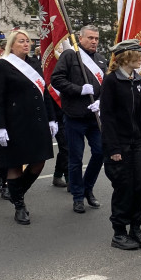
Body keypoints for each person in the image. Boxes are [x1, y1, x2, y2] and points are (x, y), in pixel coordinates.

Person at [0, 29, 58, 225]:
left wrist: (52, 118)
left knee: (39, 162)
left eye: (28, 41)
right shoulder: (2, 66)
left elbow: (44, 92)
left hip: (36, 120)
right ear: (12, 45)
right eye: (22, 41)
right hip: (14, 122)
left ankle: (16, 192)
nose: (26, 44)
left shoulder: (34, 64)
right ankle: (19, 205)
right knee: (15, 164)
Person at [98, 39, 141, 250]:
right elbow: (108, 117)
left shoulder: (138, 80)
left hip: (136, 143)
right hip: (118, 144)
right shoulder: (112, 81)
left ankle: (136, 228)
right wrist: (113, 149)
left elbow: (140, 116)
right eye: (137, 54)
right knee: (124, 188)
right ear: (125, 57)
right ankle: (119, 232)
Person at [50, 25, 107, 214]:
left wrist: (100, 101)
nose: (94, 42)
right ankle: (77, 196)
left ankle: (87, 188)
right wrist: (79, 89)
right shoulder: (70, 56)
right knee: (75, 158)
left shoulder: (100, 59)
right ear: (80, 39)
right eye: (90, 38)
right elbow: (56, 79)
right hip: (74, 115)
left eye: (97, 38)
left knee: (100, 153)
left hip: (94, 116)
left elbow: (106, 85)